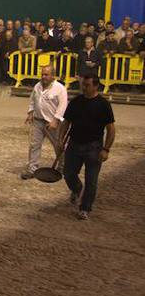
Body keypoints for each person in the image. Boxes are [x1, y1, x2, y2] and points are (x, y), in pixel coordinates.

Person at [59, 74, 115, 220]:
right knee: (69, 173)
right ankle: (77, 189)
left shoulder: (103, 105)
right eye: (83, 84)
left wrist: (106, 149)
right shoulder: (76, 102)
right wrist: (60, 140)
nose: (84, 88)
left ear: (96, 86)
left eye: (87, 85)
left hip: (94, 147)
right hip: (74, 144)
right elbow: (66, 123)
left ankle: (85, 208)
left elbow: (111, 129)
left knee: (92, 180)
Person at [21, 65, 67, 180]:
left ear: (53, 76)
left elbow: (63, 105)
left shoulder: (60, 88)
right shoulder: (37, 86)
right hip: (38, 121)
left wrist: (55, 120)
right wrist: (30, 112)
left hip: (52, 122)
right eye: (42, 74)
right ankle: (32, 168)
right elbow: (33, 99)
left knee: (58, 145)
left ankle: (63, 166)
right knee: (34, 145)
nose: (43, 77)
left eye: (46, 74)